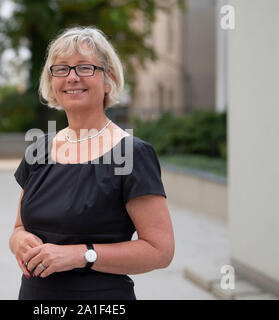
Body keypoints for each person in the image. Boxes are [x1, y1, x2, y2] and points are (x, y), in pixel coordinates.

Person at [9, 26, 174, 300]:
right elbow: (18, 228)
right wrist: (19, 243)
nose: (72, 77)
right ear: (52, 81)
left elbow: (160, 250)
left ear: (108, 79)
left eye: (85, 68)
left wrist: (81, 254)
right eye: (60, 69)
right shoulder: (39, 148)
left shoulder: (132, 154)